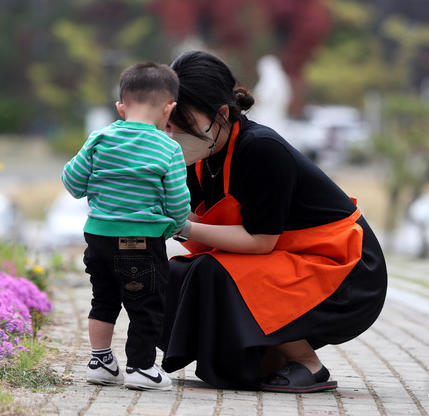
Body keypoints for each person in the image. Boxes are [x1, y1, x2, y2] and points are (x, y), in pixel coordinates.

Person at [159, 51, 388, 393]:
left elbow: (260, 240)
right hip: (288, 261)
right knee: (177, 271)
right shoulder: (201, 154)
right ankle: (269, 356)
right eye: (168, 123)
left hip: (347, 271)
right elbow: (193, 218)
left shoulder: (260, 149)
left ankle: (309, 364)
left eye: (184, 122)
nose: (173, 133)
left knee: (214, 271)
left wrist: (180, 225)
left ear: (221, 113)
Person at [61, 61, 191, 391]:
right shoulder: (168, 148)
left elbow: (73, 183)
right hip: (140, 242)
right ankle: (141, 367)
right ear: (169, 108)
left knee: (103, 299)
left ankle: (100, 361)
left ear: (121, 107)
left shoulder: (99, 139)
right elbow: (179, 203)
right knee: (146, 304)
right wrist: (172, 226)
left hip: (99, 238)